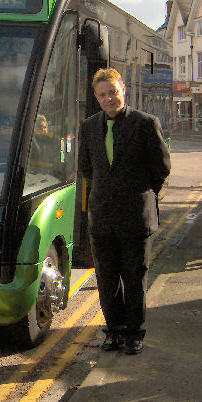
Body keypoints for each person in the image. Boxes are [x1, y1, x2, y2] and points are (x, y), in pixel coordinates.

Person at [77, 68, 170, 355]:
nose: (108, 99)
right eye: (102, 95)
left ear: (123, 90)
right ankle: (114, 332)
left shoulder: (145, 124)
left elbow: (161, 168)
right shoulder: (89, 127)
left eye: (113, 92)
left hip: (135, 217)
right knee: (106, 279)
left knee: (134, 278)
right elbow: (86, 168)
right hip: (102, 217)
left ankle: (134, 333)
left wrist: (143, 196)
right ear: (96, 97)